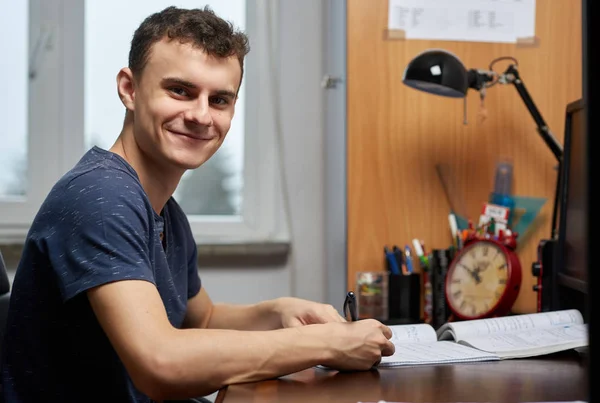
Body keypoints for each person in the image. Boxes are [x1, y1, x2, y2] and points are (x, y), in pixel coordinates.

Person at [0, 6, 395, 402]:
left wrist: (278, 311)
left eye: (220, 99)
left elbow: (200, 318)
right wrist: (326, 344)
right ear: (129, 89)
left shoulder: (164, 210)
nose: (201, 116)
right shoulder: (101, 198)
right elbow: (161, 364)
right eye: (180, 91)